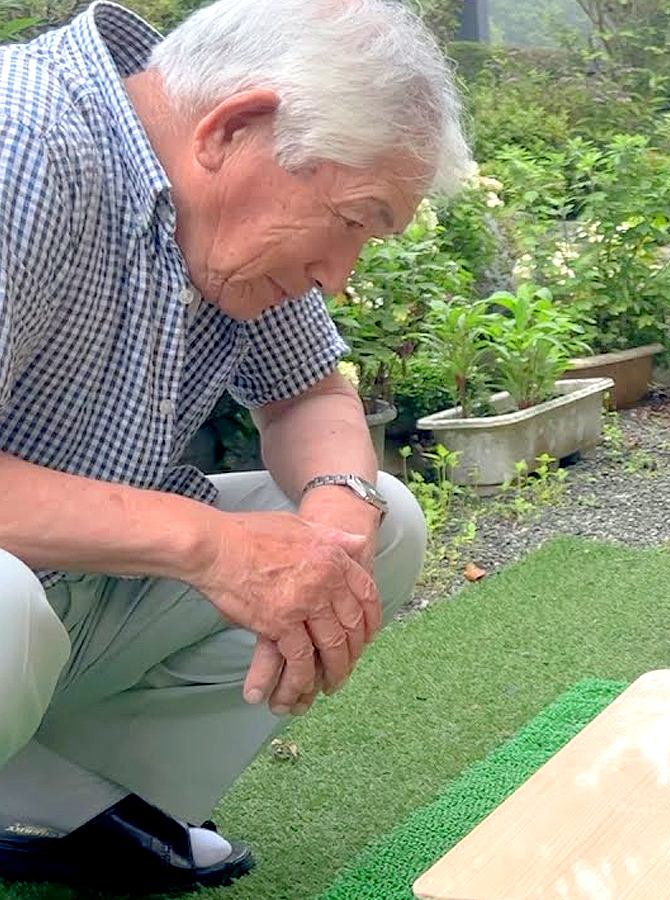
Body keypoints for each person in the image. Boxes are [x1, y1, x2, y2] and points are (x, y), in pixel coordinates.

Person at [0, 0, 470, 892]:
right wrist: (210, 544)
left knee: (381, 523)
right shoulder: (19, 140)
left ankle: (69, 802)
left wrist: (332, 521)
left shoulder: (214, 200)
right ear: (236, 128)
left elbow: (310, 392)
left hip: (66, 593)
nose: (341, 274)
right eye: (353, 220)